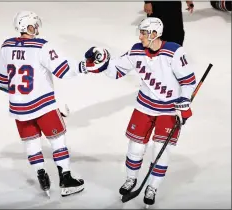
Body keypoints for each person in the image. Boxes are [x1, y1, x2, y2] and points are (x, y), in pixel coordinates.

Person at [84, 17, 196, 206]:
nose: (140, 36)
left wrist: (184, 103)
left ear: (154, 34)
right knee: (135, 147)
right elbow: (116, 70)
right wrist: (101, 60)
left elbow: (188, 81)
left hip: (168, 110)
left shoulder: (175, 52)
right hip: (144, 106)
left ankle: (152, 186)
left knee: (162, 151)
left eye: (144, 33)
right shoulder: (136, 51)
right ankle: (131, 179)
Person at [0, 11, 103, 197]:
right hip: (42, 105)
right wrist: (85, 66)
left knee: (31, 141)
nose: (36, 29)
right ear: (27, 26)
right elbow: (63, 70)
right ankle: (65, 179)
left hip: (19, 107)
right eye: (34, 25)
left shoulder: (6, 46)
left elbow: (2, 79)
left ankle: (41, 176)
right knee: (57, 139)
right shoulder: (41, 46)